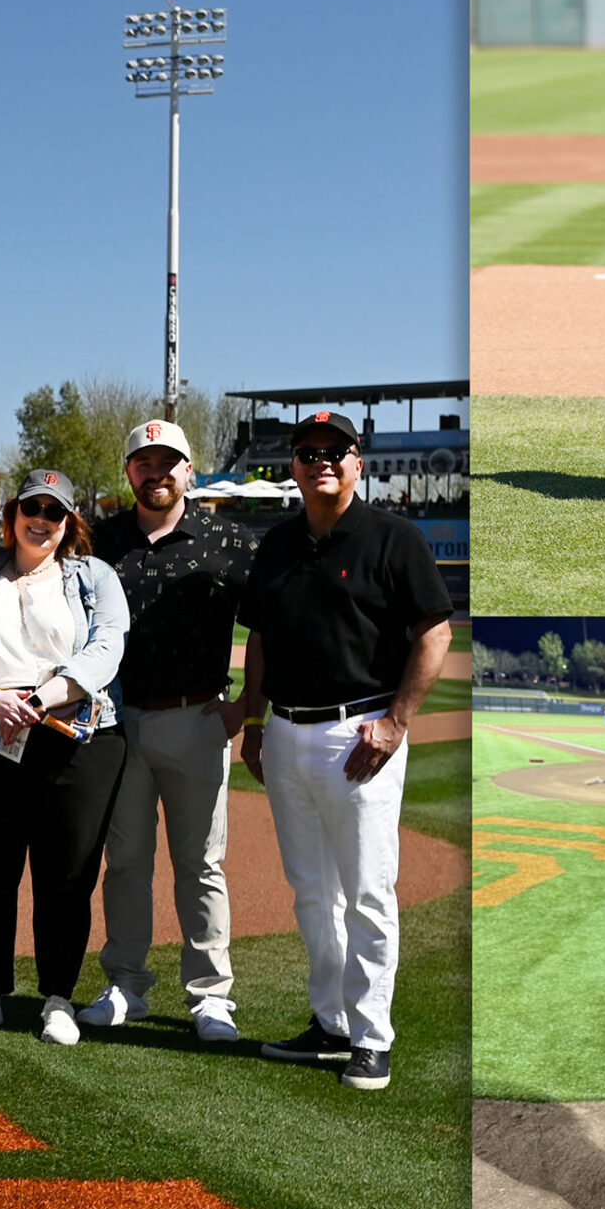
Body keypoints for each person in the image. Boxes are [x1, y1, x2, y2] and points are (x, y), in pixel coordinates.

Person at [240, 412, 453, 1092]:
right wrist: (252, 720)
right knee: (312, 892)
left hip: (358, 733)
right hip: (288, 731)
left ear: (359, 462)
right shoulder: (276, 543)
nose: (320, 461)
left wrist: (397, 721)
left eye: (335, 451)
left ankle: (372, 1038)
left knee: (365, 891)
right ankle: (330, 1023)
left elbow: (435, 632)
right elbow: (261, 639)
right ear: (293, 465)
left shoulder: (393, 537)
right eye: (308, 452)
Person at [0, 470, 128, 1046]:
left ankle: (58, 998)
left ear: (68, 522)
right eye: (31, 507)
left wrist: (43, 697)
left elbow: (107, 647)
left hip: (71, 733)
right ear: (12, 515)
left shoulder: (93, 577)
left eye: (53, 510)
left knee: (65, 872)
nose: (40, 518)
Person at [81, 419, 254, 1041]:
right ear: (129, 472)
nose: (156, 473)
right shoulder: (98, 541)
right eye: (143, 463)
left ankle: (210, 996)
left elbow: (265, 627)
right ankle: (125, 985)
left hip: (198, 716)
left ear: (190, 469)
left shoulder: (228, 540)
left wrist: (247, 708)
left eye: (168, 462)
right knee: (124, 862)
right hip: (118, 721)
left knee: (201, 864)